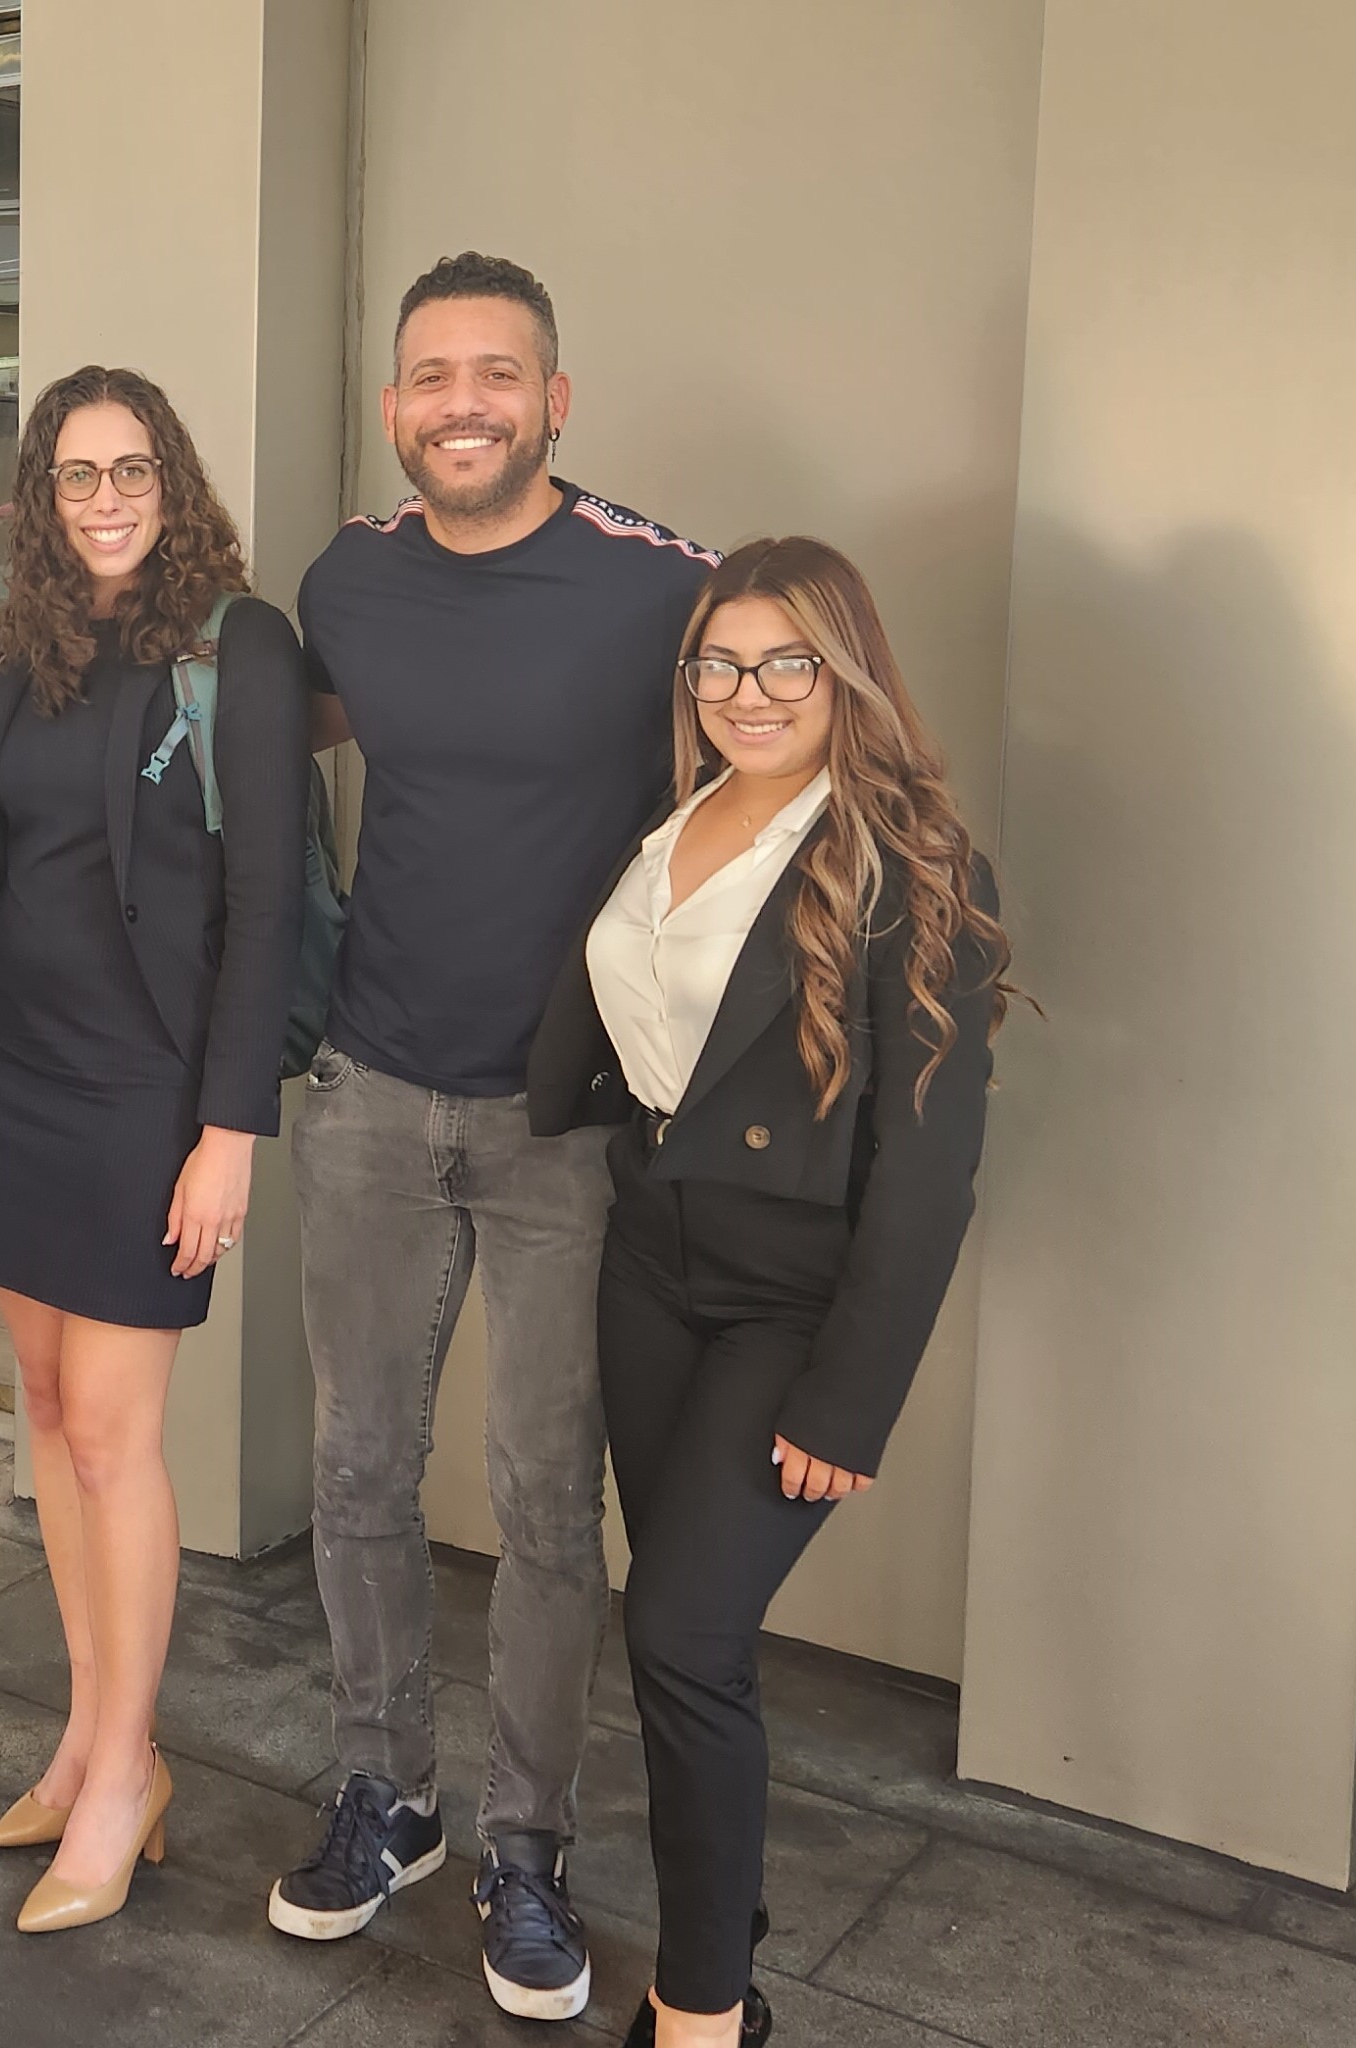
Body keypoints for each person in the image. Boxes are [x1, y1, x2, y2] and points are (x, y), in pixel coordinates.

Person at [274, 252, 717, 2024]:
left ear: (555, 400)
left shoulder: (660, 589)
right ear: (397, 409)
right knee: (360, 1475)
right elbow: (268, 743)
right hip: (374, 1097)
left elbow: (762, 771)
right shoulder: (349, 580)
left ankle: (530, 1845)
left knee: (547, 1510)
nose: (464, 402)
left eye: (498, 374)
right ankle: (388, 1798)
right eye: (432, 376)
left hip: (568, 1126)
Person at [527, 537, 1011, 2046]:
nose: (749, 692)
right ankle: (718, 1934)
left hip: (794, 1301)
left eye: (785, 661)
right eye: (720, 663)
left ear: (844, 672)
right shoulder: (673, 818)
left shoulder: (910, 865)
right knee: (690, 1645)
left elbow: (929, 1172)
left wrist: (849, 1397)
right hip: (653, 1258)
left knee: (677, 1633)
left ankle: (701, 2013)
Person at [0, 365, 307, 1934]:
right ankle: (91, 1739)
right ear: (42, 492)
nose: (104, 498)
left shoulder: (238, 647)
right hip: (13, 1071)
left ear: (174, 477)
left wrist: (229, 1133)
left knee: (112, 1442)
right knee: (55, 1423)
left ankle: (132, 1769)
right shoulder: (27, 647)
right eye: (75, 475)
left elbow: (266, 904)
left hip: (149, 1091)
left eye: (130, 468)